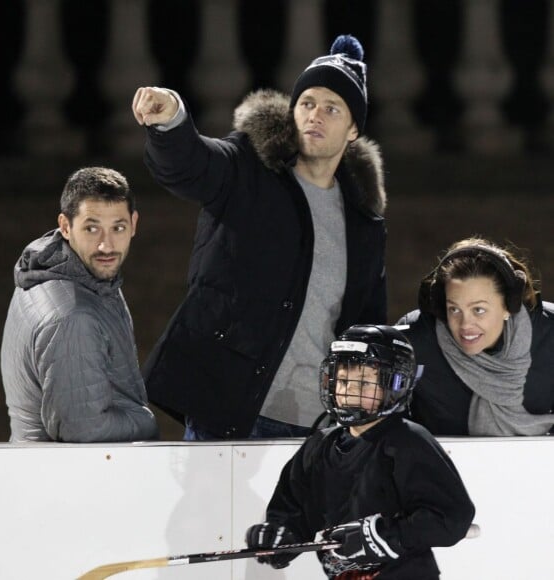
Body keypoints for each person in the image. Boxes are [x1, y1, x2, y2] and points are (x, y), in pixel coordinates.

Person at [131, 34, 388, 440]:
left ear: (353, 128)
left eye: (331, 108)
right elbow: (192, 165)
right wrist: (172, 121)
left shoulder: (364, 223)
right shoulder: (249, 167)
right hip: (230, 408)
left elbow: (366, 323)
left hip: (317, 424)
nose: (315, 115)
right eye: (306, 103)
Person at [245, 325, 475, 579]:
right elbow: (294, 510)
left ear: (396, 384)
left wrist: (386, 535)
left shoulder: (407, 441)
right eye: (343, 381)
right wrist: (280, 536)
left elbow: (452, 517)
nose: (349, 392)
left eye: (364, 382)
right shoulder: (319, 446)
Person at [0, 166, 159, 443]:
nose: (106, 245)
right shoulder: (73, 317)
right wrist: (145, 420)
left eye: (117, 228)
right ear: (65, 226)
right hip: (65, 479)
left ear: (134, 224)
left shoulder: (71, 276)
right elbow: (84, 429)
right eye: (91, 228)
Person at [397, 237, 554, 436]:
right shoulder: (414, 339)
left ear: (509, 306)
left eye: (478, 310)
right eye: (454, 309)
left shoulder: (550, 334)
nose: (465, 325)